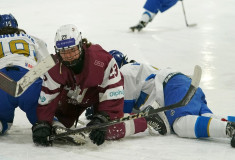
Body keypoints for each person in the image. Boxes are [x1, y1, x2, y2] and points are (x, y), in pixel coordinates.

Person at [31, 24, 167, 147]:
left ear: (80, 44)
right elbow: (47, 98)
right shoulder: (54, 66)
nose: (69, 56)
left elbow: (114, 90)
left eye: (72, 50)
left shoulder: (101, 59)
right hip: (73, 96)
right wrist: (43, 122)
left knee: (106, 130)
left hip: (96, 95)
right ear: (57, 50)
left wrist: (103, 117)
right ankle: (57, 123)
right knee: (53, 123)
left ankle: (146, 118)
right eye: (64, 52)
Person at [110, 50, 235, 148]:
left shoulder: (125, 72)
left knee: (180, 124)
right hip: (180, 84)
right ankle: (230, 125)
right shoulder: (134, 70)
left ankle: (230, 130)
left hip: (173, 86)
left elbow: (121, 111)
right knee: (207, 117)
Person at [0, 14, 49, 134]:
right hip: (28, 76)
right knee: (42, 118)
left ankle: (1, 123)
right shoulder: (31, 38)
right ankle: (51, 124)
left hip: (2, 80)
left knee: (2, 117)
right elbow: (47, 64)